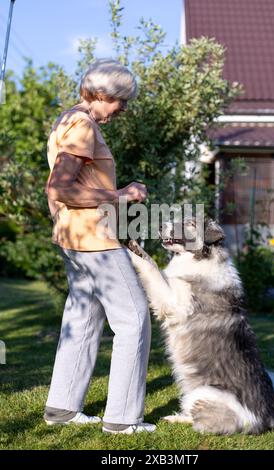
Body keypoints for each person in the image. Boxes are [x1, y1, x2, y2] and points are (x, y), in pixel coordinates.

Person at [43, 58, 155, 435]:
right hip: (94, 242)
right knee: (134, 319)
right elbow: (60, 186)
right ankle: (123, 419)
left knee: (83, 319)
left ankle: (62, 408)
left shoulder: (65, 120)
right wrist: (120, 194)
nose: (123, 109)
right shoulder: (83, 125)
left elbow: (57, 191)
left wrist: (59, 219)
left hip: (75, 238)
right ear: (104, 94)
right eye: (121, 101)